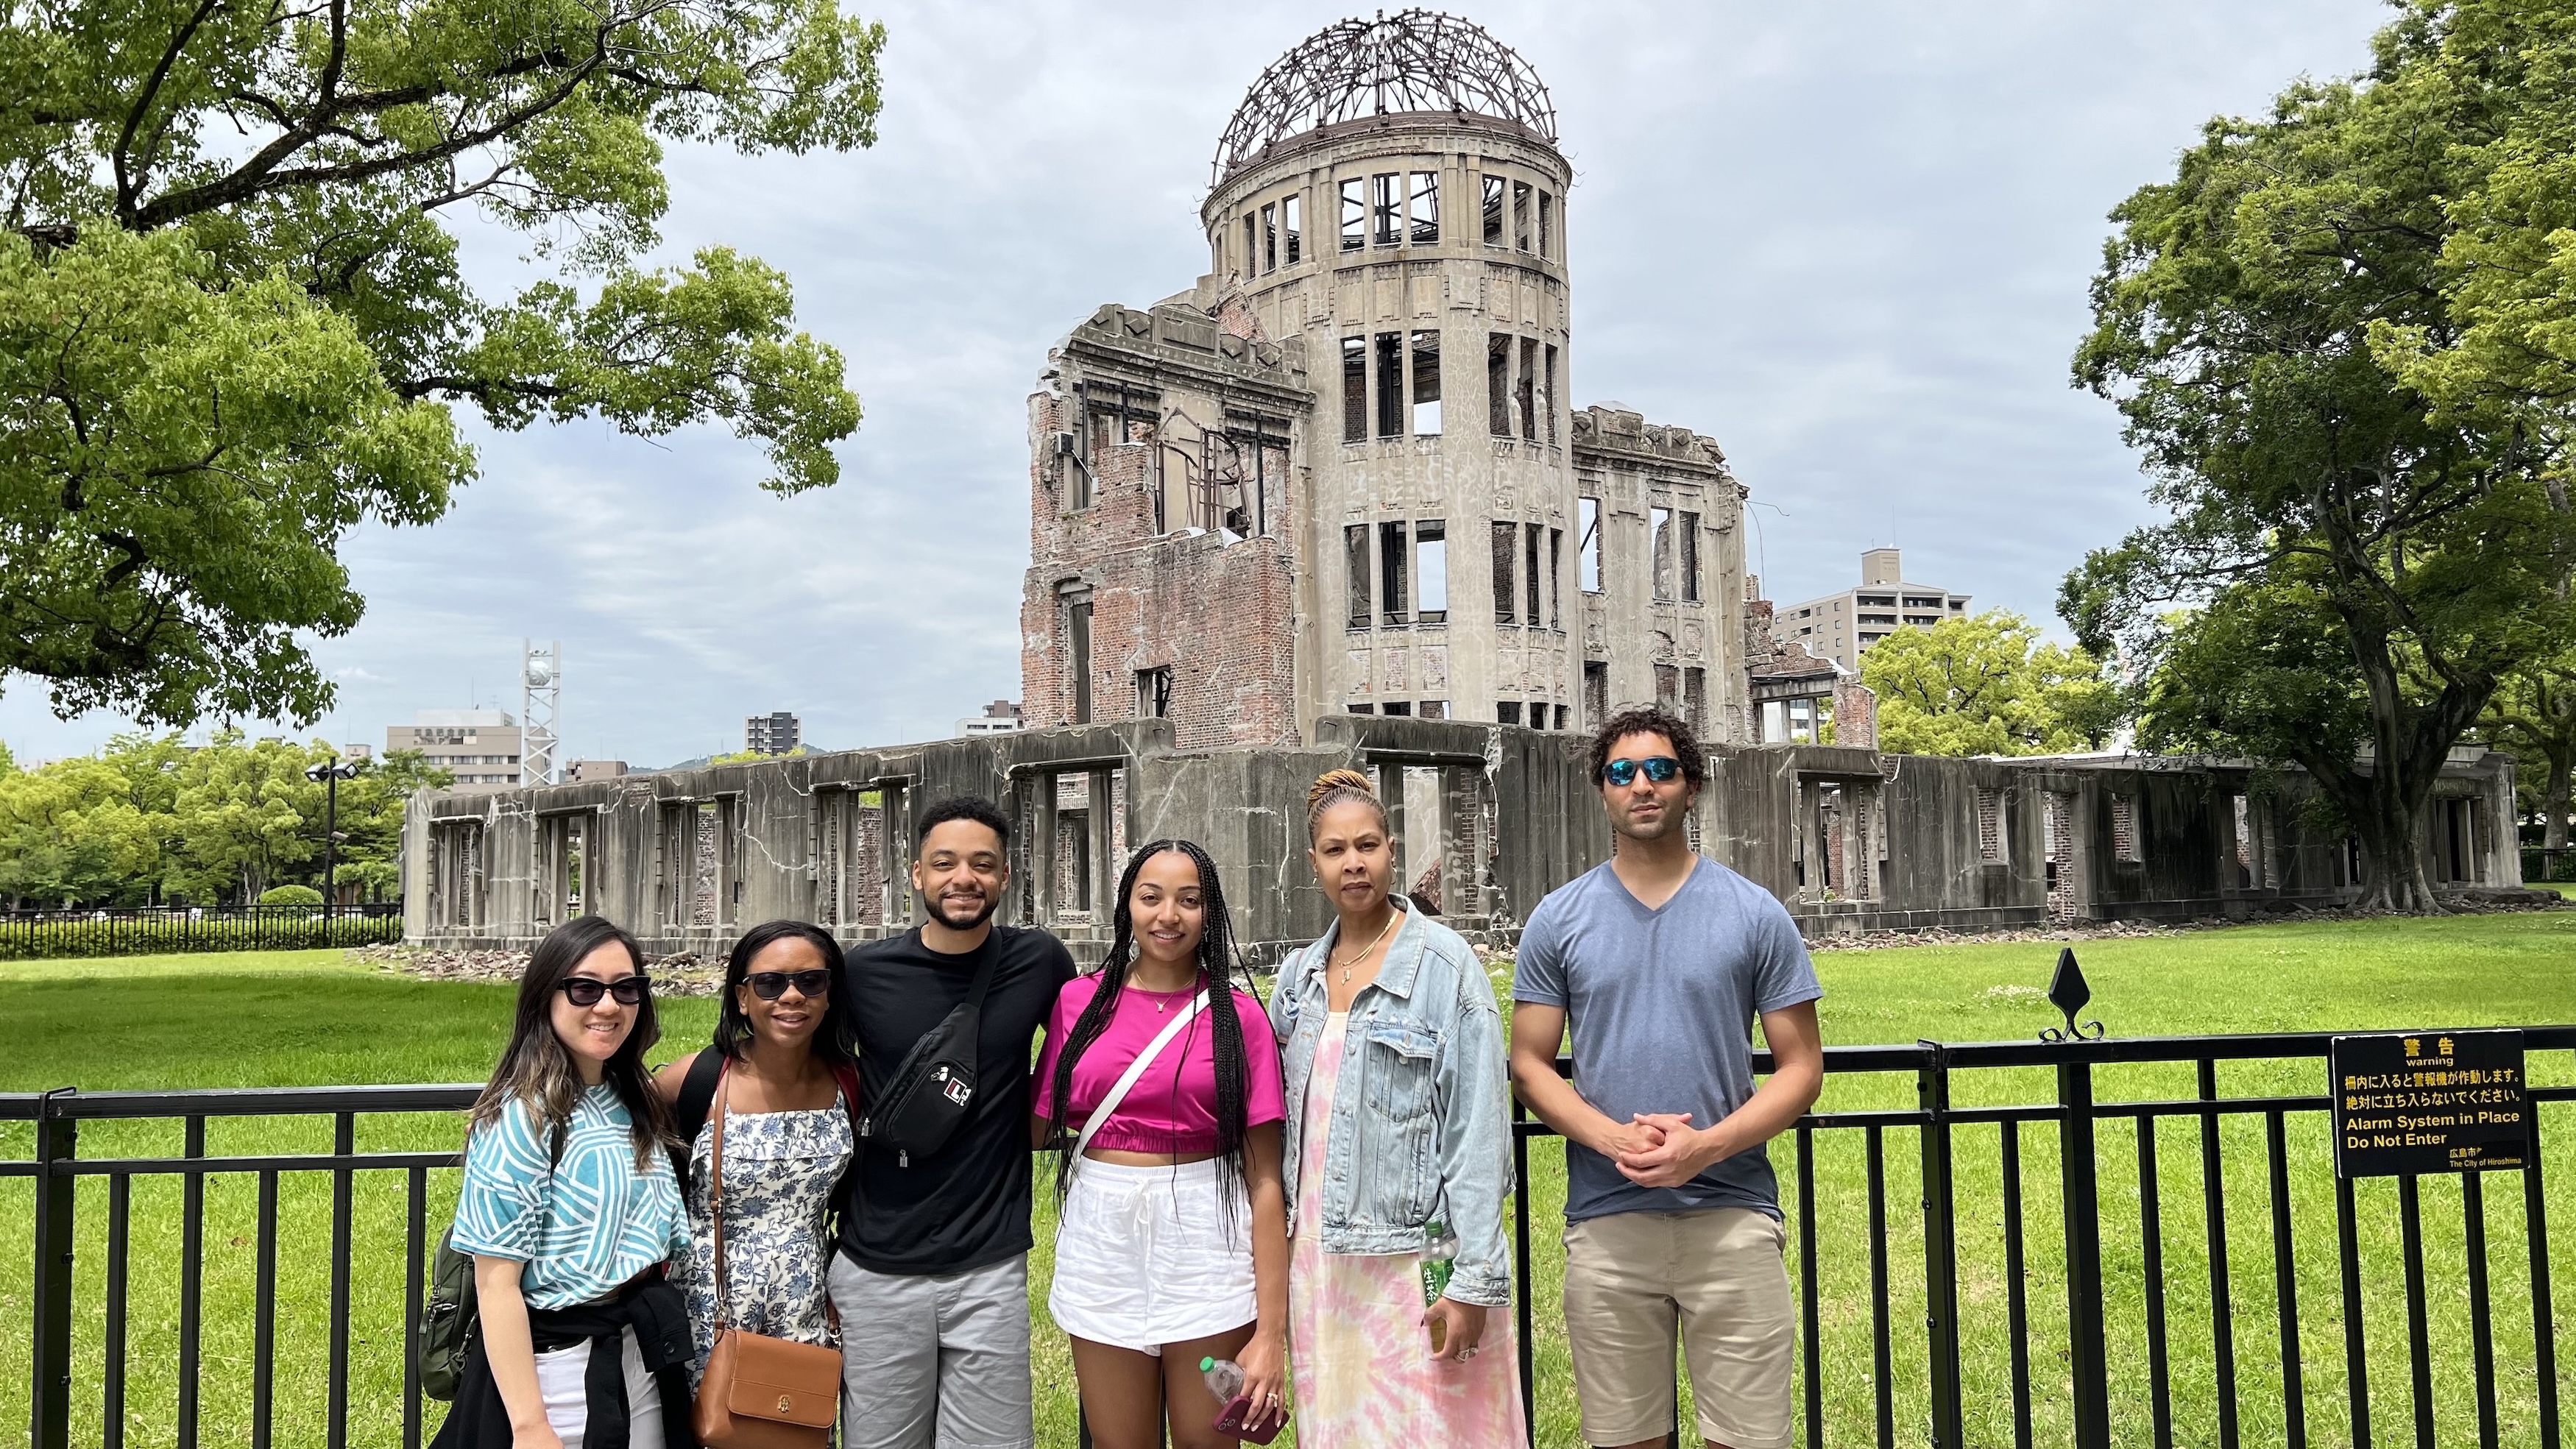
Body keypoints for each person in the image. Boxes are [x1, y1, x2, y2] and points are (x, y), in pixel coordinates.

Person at [1508, 706, 1825, 1449]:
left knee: (1748, 1439)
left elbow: (1801, 1067)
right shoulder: (1559, 919)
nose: (1641, 785)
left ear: (1691, 785)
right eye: (1621, 772)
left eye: (1660, 769)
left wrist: (1704, 1147)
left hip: (1732, 1216)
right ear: (1602, 790)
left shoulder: (1754, 914)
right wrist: (1613, 1136)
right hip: (1607, 1220)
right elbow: (1527, 1061)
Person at [1270, 768, 1527, 1445]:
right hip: (1323, 1261)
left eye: (1368, 844)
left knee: (1437, 1426)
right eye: (1335, 849)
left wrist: (1471, 1277)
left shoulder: (1444, 967)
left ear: (1391, 848)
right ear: (1314, 862)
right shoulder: (1298, 979)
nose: (1354, 862)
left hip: (1419, 1251)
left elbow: (1475, 1135)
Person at [831, 796, 1076, 1449]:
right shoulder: (862, 973)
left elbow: (1086, 1059)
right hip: (878, 1260)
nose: (962, 877)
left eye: (981, 863)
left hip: (988, 1263)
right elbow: (796, 1062)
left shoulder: (1040, 962)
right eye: (944, 862)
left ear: (1004, 876)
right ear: (917, 874)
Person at [1032, 840, 1291, 1449]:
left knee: (1208, 1443)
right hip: (1103, 1241)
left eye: (1189, 900)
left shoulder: (1240, 1019)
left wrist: (1271, 1331)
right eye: (1150, 897)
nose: (1167, 915)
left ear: (1211, 913)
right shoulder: (1079, 1002)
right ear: (1127, 905)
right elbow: (1036, 1123)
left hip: (1206, 1241)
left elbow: (1265, 1181)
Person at [434, 915, 693, 1449]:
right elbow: (496, 1282)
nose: (608, 1005)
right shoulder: (522, 1118)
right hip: (556, 1368)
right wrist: (530, 1425)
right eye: (585, 988)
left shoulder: (632, 1096)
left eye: (626, 988)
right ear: (546, 996)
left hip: (637, 1353)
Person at [654, 919, 861, 1386]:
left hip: (806, 1300)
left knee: (795, 1427)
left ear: (830, 993)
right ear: (742, 998)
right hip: (706, 1305)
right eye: (769, 983)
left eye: (811, 981)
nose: (792, 997)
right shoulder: (697, 1080)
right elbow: (611, 1126)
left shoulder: (848, 1083)